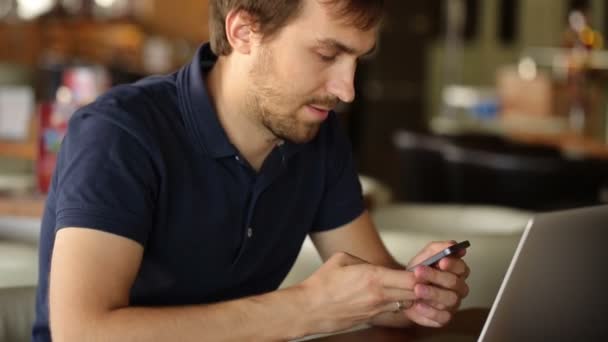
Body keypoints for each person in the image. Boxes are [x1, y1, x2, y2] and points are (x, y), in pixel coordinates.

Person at [33, 0, 470, 340]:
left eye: (357, 59)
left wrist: (413, 294)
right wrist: (304, 309)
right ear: (243, 31)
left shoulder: (316, 131)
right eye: (326, 54)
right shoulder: (120, 134)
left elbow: (375, 290)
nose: (347, 90)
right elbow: (82, 333)